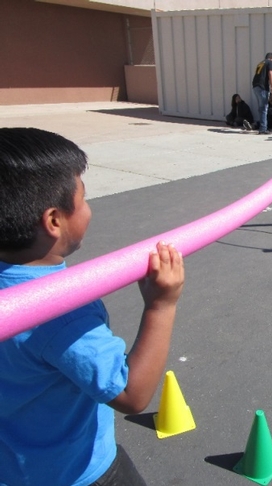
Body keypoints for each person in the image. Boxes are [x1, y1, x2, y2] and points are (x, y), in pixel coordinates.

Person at [0, 127, 185, 486]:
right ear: (54, 221)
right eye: (83, 199)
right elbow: (132, 395)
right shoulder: (61, 313)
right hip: (77, 473)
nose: (89, 209)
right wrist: (161, 306)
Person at [251, 52, 272, 135]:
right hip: (262, 87)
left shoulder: (260, 63)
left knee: (261, 108)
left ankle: (262, 126)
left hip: (255, 86)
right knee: (264, 108)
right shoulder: (270, 62)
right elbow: (270, 73)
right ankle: (263, 129)